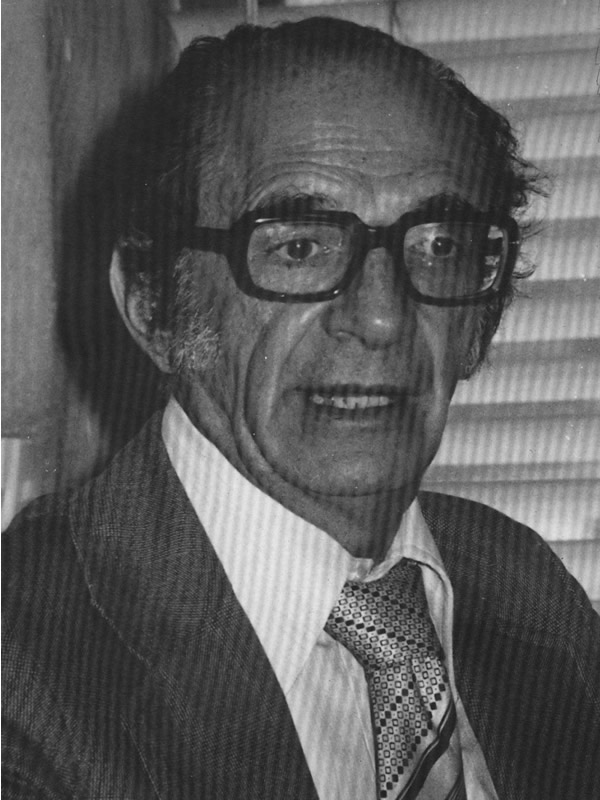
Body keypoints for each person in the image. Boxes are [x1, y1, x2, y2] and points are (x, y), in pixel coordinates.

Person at [2, 18, 599, 800]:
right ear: (154, 306)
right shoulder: (24, 674)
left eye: (439, 247)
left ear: (480, 325)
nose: (381, 317)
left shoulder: (523, 589)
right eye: (298, 247)